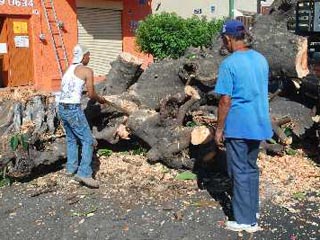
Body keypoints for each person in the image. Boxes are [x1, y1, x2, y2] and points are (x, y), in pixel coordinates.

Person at [214, 20, 273, 232]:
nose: (224, 43)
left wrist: (219, 129)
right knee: (251, 168)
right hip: (258, 122)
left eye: (223, 39)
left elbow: (225, 101)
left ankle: (245, 220)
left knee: (238, 171)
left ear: (228, 38)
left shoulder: (229, 64)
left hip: (239, 125)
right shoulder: (261, 59)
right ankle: (252, 209)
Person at [58, 44, 107, 188]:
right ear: (83, 56)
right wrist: (100, 99)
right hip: (73, 109)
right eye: (88, 55)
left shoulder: (69, 69)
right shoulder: (87, 70)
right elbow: (91, 94)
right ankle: (84, 173)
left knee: (72, 139)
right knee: (88, 141)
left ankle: (71, 168)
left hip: (61, 107)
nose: (89, 57)